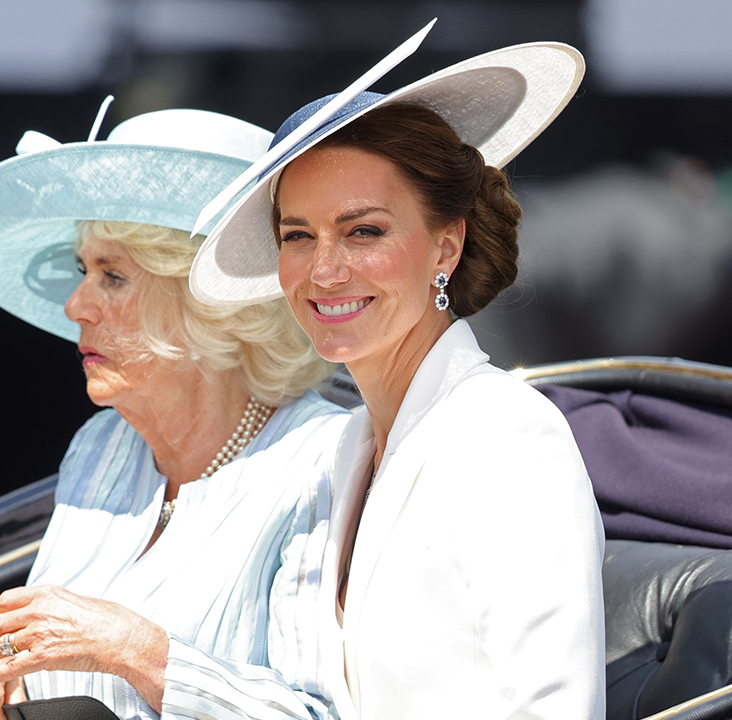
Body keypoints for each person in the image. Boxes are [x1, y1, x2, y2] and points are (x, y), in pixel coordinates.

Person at [189, 42, 607, 720]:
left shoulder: (508, 435)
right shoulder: (346, 446)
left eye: (362, 232)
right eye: (298, 236)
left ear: (446, 246)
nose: (325, 271)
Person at [0, 108, 350, 720]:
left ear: (211, 302)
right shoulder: (103, 445)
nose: (76, 305)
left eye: (113, 276)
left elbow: (323, 713)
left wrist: (139, 653)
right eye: (84, 270)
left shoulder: (323, 462)